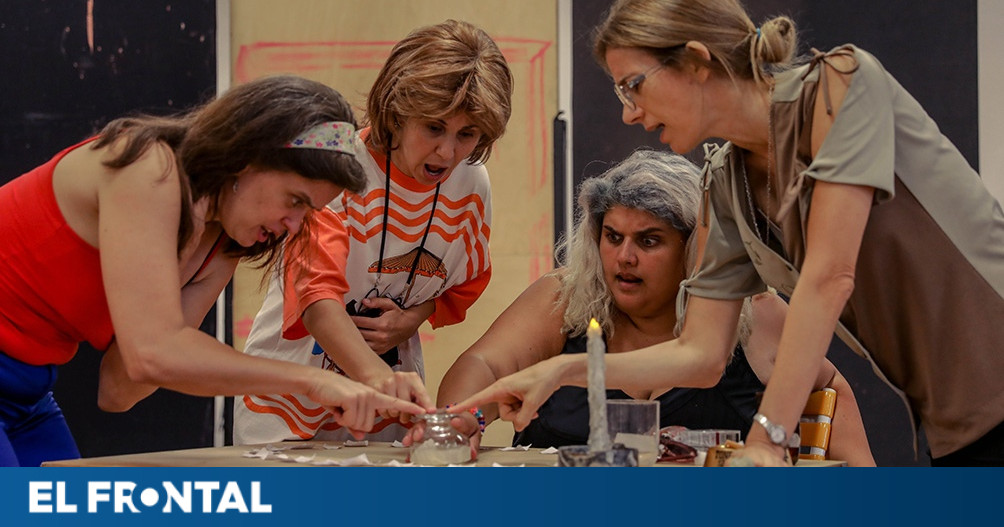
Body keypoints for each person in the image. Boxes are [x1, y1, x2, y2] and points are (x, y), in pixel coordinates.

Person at [455, 0, 1004, 467]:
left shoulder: (839, 87)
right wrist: (561, 370)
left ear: (696, 61)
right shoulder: (725, 185)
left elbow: (829, 277)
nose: (629, 113)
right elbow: (700, 354)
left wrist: (768, 437)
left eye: (633, 86)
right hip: (953, 423)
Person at [0, 75, 428, 466]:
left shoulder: (222, 244)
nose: (295, 225)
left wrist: (171, 344)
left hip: (27, 392)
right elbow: (152, 355)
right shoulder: (148, 168)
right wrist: (311, 382)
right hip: (17, 380)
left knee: (56, 510)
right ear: (247, 157)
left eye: (308, 211)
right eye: (295, 200)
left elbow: (121, 386)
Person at [421, 149, 873, 466]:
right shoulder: (563, 297)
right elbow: (484, 364)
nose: (624, 257)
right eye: (612, 237)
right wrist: (463, 420)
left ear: (693, 251)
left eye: (649, 241)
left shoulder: (752, 310)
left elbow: (827, 386)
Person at [232, 19, 513, 445]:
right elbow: (316, 300)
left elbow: (463, 282)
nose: (447, 151)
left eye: (467, 134)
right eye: (433, 127)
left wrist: (411, 319)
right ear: (397, 112)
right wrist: (378, 377)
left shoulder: (472, 185)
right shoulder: (341, 167)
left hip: (388, 409)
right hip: (290, 408)